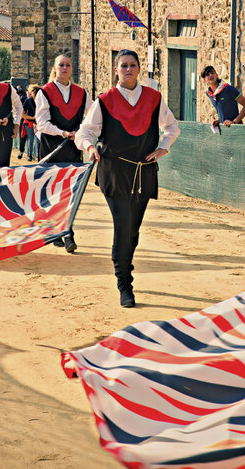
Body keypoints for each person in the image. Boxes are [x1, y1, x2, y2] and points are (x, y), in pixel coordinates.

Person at [75, 49, 180, 308]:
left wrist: (163, 147)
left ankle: (126, 263)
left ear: (139, 68)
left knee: (133, 229)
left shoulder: (154, 98)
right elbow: (84, 132)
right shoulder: (105, 100)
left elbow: (171, 127)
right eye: (124, 65)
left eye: (133, 65)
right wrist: (89, 148)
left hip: (143, 171)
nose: (129, 69)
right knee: (123, 226)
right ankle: (125, 284)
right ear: (116, 69)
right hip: (113, 171)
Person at [35, 54, 93, 252]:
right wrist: (62, 133)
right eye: (61, 65)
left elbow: (93, 115)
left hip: (73, 147)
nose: (65, 67)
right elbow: (42, 123)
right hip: (51, 147)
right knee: (53, 192)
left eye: (68, 64)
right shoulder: (45, 92)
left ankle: (66, 233)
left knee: (71, 192)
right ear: (54, 68)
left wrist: (82, 131)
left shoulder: (81, 92)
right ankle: (59, 232)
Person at [18, 84, 40, 161]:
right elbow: (22, 114)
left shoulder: (41, 100)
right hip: (29, 122)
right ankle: (29, 155)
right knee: (30, 139)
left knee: (38, 139)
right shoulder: (28, 101)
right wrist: (32, 118)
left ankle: (38, 155)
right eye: (34, 92)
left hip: (38, 123)